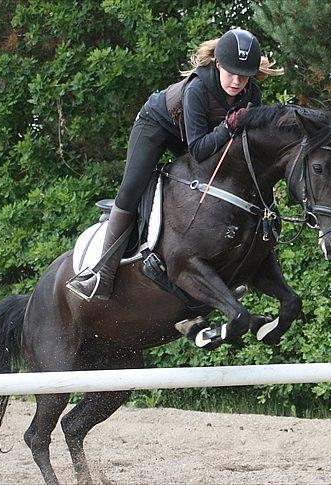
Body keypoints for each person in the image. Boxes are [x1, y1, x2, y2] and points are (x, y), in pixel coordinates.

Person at [67, 28, 284, 301]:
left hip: (199, 134)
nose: (237, 81)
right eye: (231, 72)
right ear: (218, 64)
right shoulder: (197, 89)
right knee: (131, 189)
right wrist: (229, 125)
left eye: (244, 75)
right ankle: (100, 274)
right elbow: (198, 150)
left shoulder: (252, 95)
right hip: (157, 126)